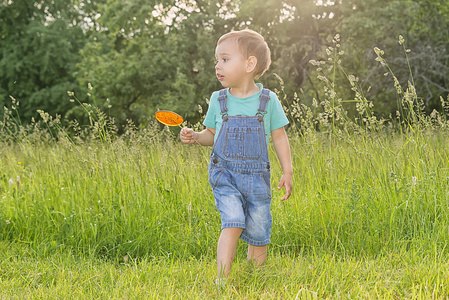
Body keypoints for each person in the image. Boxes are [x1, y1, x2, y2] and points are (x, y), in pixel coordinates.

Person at [180, 29, 293, 283]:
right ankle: (222, 279)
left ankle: (257, 277)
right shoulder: (218, 100)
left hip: (258, 179)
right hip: (225, 176)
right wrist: (196, 137)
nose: (218, 66)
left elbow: (279, 137)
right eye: (216, 61)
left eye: (225, 59)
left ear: (250, 63)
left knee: (259, 229)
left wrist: (288, 171)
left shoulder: (268, 100)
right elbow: (211, 134)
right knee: (232, 220)